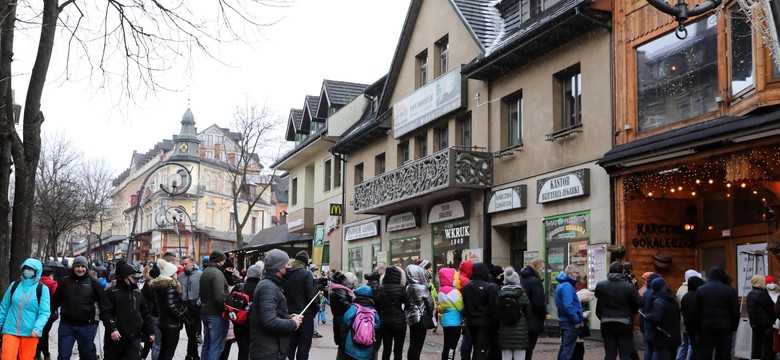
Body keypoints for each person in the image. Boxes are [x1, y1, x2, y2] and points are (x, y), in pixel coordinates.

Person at [249, 249, 303, 360]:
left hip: (271, 350)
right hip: (268, 352)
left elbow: (270, 314)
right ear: (279, 267)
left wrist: (288, 317)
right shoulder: (268, 287)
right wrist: (292, 324)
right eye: (288, 265)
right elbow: (269, 321)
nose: (290, 267)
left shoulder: (271, 285)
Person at [53, 255, 106, 360]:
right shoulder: (64, 282)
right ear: (73, 267)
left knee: (87, 356)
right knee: (63, 356)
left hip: (86, 326)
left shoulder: (94, 282)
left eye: (83, 266)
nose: (80, 269)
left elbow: (104, 302)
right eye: (77, 266)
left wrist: (105, 319)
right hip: (66, 325)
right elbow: (54, 301)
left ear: (86, 267)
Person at [101, 261, 155, 360]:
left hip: (134, 337)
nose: (136, 280)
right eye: (134, 278)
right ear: (125, 277)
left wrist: (150, 331)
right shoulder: (111, 292)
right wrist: (113, 329)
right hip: (116, 338)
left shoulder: (137, 292)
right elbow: (106, 313)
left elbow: (145, 313)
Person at [0, 258, 51, 360]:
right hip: (10, 329)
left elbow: (44, 312)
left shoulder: (42, 289)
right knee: (7, 357)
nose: (27, 271)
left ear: (37, 271)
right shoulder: (14, 285)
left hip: (30, 332)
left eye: (31, 269)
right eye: (25, 268)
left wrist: (38, 328)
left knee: (26, 358)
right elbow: (4, 307)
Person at [594, 262, 640, 360]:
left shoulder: (601, 285)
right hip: (624, 322)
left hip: (606, 322)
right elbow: (638, 303)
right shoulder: (629, 286)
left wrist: (602, 317)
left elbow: (598, 298)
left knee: (610, 354)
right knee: (625, 354)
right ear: (622, 272)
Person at [695, 266, 739, 360]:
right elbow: (735, 312)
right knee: (723, 354)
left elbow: (696, 311)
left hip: (706, 328)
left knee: (706, 354)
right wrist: (733, 327)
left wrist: (698, 327)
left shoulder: (700, 290)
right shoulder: (730, 290)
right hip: (725, 328)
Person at [151, 258, 188, 360]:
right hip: (171, 324)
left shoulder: (161, 286)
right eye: (175, 273)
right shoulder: (170, 287)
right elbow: (170, 306)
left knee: (164, 350)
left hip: (164, 322)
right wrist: (181, 316)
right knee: (168, 352)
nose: (177, 275)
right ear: (171, 275)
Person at [284, 251, 318, 360]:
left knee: (290, 345)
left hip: (289, 314)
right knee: (304, 345)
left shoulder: (286, 273)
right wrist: (314, 311)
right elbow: (311, 296)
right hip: (305, 315)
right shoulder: (306, 274)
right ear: (306, 262)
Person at [462, 262, 499, 360]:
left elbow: (465, 304)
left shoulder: (466, 287)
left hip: (471, 321)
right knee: (481, 348)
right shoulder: (489, 287)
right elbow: (493, 307)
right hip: (484, 321)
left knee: (475, 345)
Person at [200, 250, 230, 360]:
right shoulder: (217, 274)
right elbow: (219, 297)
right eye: (224, 260)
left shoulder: (205, 272)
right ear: (220, 261)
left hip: (205, 312)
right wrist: (225, 311)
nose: (225, 263)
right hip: (216, 314)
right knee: (215, 346)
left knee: (207, 344)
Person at [496, 267, 531, 360]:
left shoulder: (500, 294)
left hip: (504, 329)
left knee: (506, 357)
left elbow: (496, 312)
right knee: (520, 356)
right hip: (520, 330)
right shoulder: (522, 294)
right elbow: (528, 312)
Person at [643, 277, 680, 360]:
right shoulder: (673, 299)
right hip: (673, 335)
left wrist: (648, 317)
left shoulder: (659, 301)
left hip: (663, 336)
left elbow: (657, 319)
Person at [375, 265, 407, 360]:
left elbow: (377, 305)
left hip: (385, 321)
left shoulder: (380, 288)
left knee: (386, 349)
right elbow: (408, 304)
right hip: (400, 322)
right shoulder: (401, 289)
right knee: (398, 350)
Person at [554, 265, 585, 360]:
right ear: (572, 274)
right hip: (569, 321)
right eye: (577, 273)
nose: (578, 275)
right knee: (567, 350)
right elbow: (568, 305)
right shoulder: (567, 286)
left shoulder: (562, 284)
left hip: (565, 320)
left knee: (564, 348)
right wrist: (576, 320)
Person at [405, 264, 435, 360]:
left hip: (411, 318)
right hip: (421, 318)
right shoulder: (422, 288)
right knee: (418, 344)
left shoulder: (407, 287)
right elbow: (430, 304)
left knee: (412, 343)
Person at [343, 285, 381, 360]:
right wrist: (368, 328)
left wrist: (355, 325)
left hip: (352, 345)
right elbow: (377, 323)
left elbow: (346, 319)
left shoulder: (354, 307)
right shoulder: (372, 310)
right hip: (367, 346)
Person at [235, 261, 263, 360]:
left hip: (240, 323)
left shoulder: (239, 287)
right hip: (256, 325)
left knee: (242, 350)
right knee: (255, 351)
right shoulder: (262, 288)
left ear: (248, 274)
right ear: (260, 275)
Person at [518, 258, 545, 360]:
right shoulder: (535, 281)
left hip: (519, 319)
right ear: (537, 267)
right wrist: (542, 317)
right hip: (532, 319)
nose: (542, 270)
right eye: (542, 268)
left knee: (520, 350)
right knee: (529, 349)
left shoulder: (520, 278)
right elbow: (539, 303)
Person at [179, 255, 203, 360]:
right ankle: (192, 354)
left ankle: (191, 354)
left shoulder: (200, 275)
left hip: (195, 306)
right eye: (183, 264)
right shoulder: (180, 276)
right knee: (190, 333)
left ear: (192, 263)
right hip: (184, 306)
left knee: (193, 333)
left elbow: (203, 291)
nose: (184, 266)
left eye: (186, 264)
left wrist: (198, 303)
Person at [437, 266, 463, 360]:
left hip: (446, 321)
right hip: (454, 322)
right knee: (452, 347)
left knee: (446, 345)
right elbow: (460, 306)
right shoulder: (452, 291)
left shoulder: (441, 289)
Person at [747, 274, 775, 360]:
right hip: (765, 324)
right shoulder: (762, 294)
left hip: (755, 324)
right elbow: (771, 307)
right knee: (767, 346)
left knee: (756, 345)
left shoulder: (750, 294)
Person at [331, 271, 357, 359]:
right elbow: (346, 307)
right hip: (342, 325)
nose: (353, 285)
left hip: (342, 324)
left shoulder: (341, 290)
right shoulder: (340, 291)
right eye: (353, 283)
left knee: (343, 350)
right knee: (344, 349)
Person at [675, 269, 700, 360]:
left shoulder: (680, 289)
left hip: (683, 320)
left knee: (684, 343)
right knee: (691, 344)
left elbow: (678, 305)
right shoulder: (692, 290)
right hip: (691, 321)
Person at [36, 267, 58, 360]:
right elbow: (56, 297)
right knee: (44, 334)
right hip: (49, 312)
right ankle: (41, 354)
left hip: (35, 312)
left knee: (41, 333)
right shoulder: (53, 283)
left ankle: (43, 353)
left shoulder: (36, 282)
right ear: (51, 275)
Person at [680, 275, 704, 360]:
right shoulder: (700, 296)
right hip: (700, 327)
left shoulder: (685, 297)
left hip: (689, 327)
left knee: (693, 347)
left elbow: (683, 311)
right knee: (700, 350)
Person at [458, 260, 475, 360]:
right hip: (466, 312)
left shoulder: (459, 278)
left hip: (459, 311)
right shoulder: (466, 282)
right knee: (467, 338)